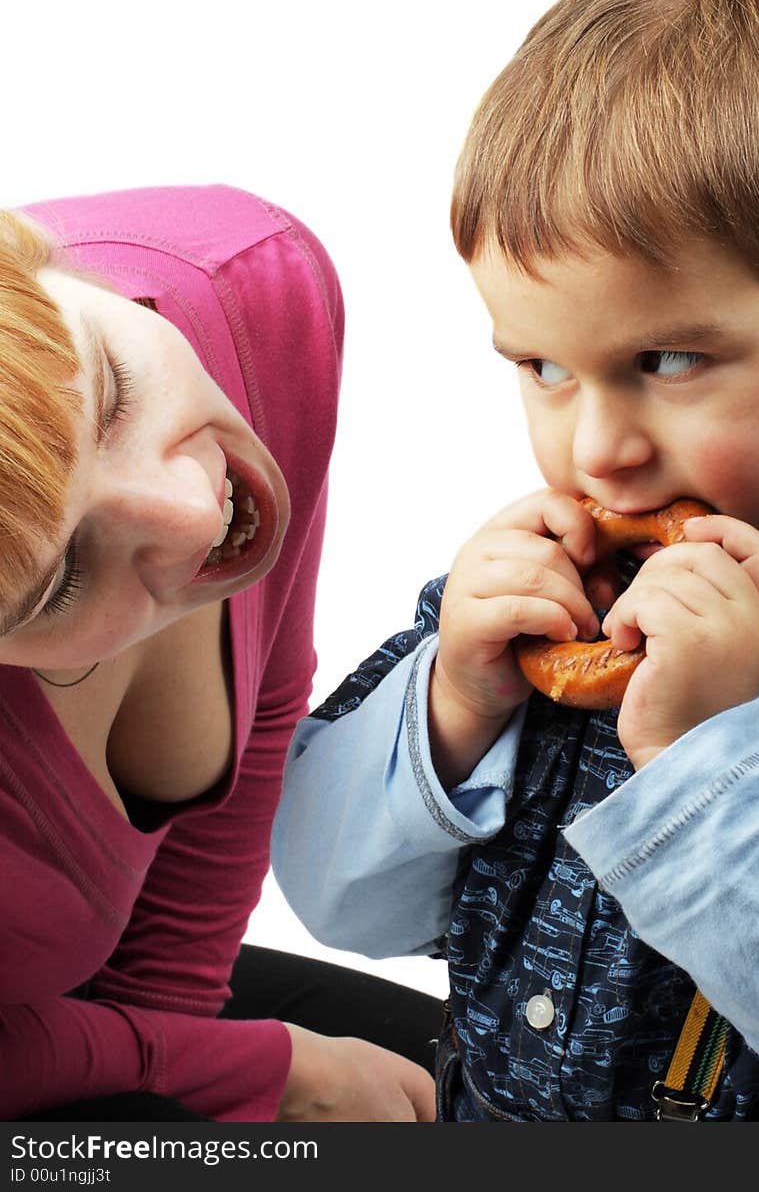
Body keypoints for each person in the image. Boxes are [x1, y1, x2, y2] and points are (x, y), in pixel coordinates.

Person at [271, 0, 759, 1122]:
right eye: (544, 364)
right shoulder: (543, 592)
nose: (595, 447)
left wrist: (709, 753)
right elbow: (338, 899)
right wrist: (450, 711)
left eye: (666, 359)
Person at [0, 184, 440, 1123]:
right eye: (63, 578)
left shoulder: (246, 280)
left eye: (112, 391)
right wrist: (256, 1076)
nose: (195, 513)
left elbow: (269, 689)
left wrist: (187, 1056)